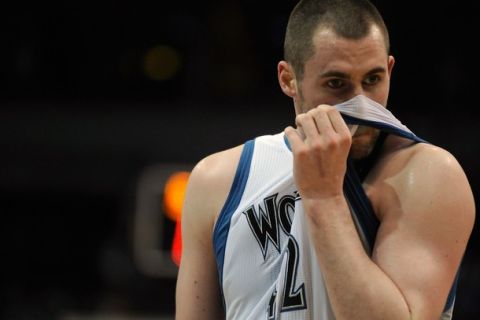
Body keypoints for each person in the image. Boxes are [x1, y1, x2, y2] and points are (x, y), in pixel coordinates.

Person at [175, 0, 475, 319]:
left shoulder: (428, 175)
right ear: (288, 79)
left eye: (373, 80)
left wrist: (324, 198)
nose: (360, 104)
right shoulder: (216, 179)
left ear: (389, 70)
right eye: (336, 84)